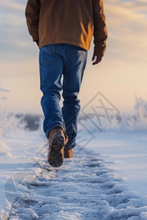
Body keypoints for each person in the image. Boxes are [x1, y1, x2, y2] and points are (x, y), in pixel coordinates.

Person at [25, 0, 108, 167]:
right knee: (71, 96)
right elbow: (98, 15)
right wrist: (100, 45)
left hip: (49, 42)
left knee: (50, 92)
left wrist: (40, 37)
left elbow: (31, 12)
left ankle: (56, 130)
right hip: (78, 43)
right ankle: (67, 148)